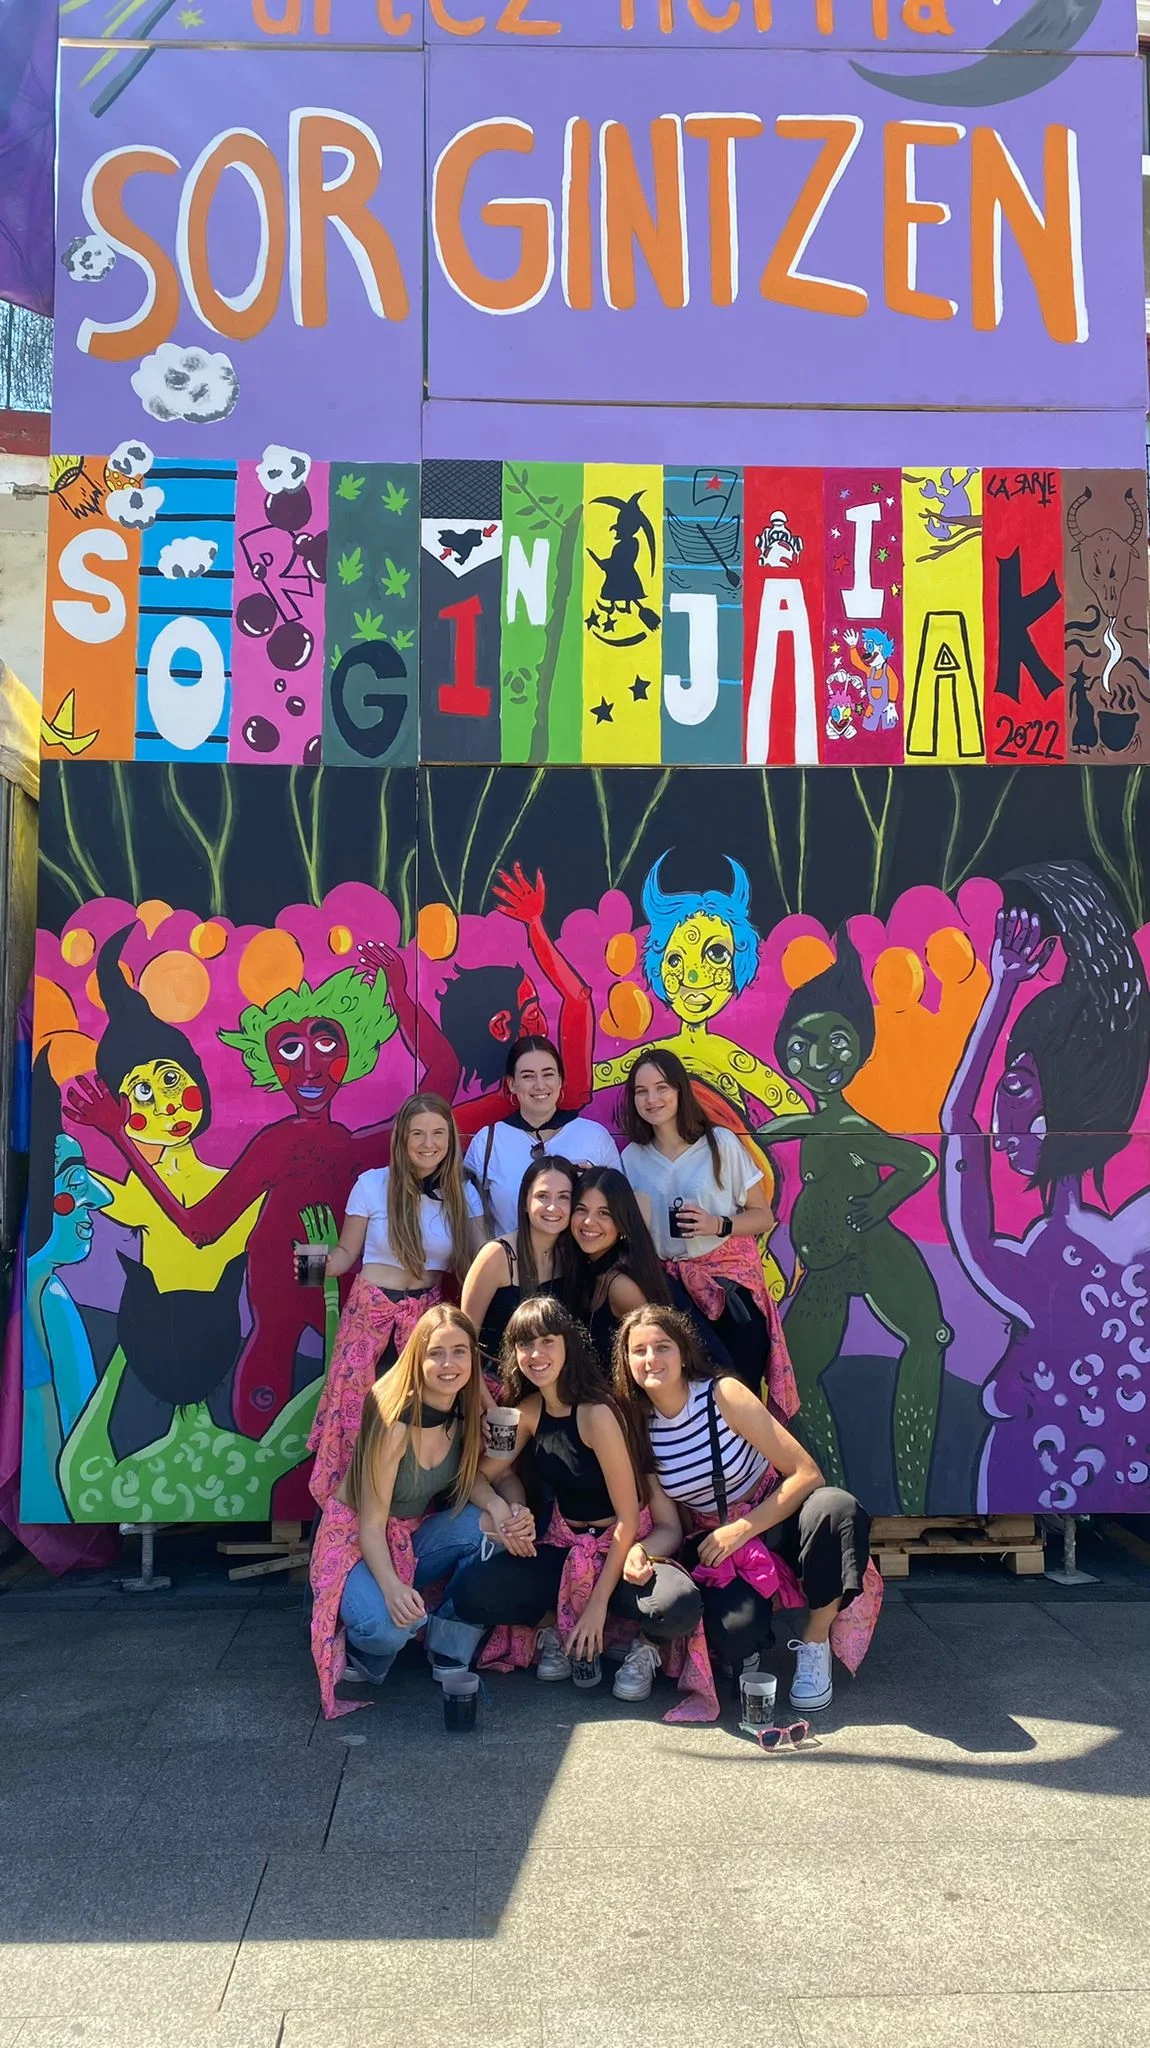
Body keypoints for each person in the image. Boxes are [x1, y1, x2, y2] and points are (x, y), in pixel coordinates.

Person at [941, 865, 1150, 1513]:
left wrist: (1002, 988)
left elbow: (956, 1120)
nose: (999, 1120)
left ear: (1061, 1101)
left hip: (1031, 1479)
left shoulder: (1047, 1272)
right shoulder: (1131, 1243)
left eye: (1015, 1087)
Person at [758, 926, 950, 1516]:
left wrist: (879, 1205)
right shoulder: (816, 1121)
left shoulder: (847, 1126)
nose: (818, 1059)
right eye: (802, 1044)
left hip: (873, 1250)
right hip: (828, 1265)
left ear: (861, 1050)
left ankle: (913, 1498)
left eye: (836, 1043)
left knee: (928, 1337)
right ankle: (835, 1493)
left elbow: (920, 1160)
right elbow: (782, 1130)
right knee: (795, 1369)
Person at [613, 1304, 877, 1713]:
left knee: (836, 1508)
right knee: (734, 1631)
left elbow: (806, 1474)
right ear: (627, 1362)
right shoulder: (639, 1429)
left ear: (683, 1352)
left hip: (775, 1515)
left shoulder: (723, 1395)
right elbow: (669, 1526)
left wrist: (743, 1528)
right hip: (715, 1540)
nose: (651, 1359)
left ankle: (814, 1642)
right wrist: (641, 1550)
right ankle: (746, 1646)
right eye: (639, 1350)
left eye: (662, 1346)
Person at [452, 1297, 703, 1703]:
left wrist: (597, 1606)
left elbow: (627, 1518)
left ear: (567, 1344)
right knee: (471, 1591)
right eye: (525, 1344)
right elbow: (478, 1476)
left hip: (621, 1550)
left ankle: (642, 1645)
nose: (536, 1354)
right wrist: (502, 1508)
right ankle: (553, 1624)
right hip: (566, 1548)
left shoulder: (595, 1412)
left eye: (547, 1341)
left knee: (677, 1605)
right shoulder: (529, 1411)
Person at [308, 1305, 535, 1716]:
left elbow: (468, 1479)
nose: (448, 1364)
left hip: (409, 1537)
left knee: (497, 1529)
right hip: (355, 1542)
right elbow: (371, 1527)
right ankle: (364, 1650)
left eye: (459, 1351)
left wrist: (502, 1508)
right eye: (436, 1353)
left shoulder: (464, 1410)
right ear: (418, 1357)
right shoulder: (394, 1421)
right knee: (386, 1629)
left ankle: (444, 1633)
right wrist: (393, 1589)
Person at [308, 1094, 484, 1507]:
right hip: (369, 1320)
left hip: (425, 1326)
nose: (428, 1143)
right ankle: (340, 1527)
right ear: (401, 1139)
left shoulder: (463, 1194)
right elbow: (346, 1254)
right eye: (417, 1133)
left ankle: (401, 1526)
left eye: (438, 1133)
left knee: (410, 1429)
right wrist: (308, 1265)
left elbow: (483, 1258)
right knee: (355, 1423)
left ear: (451, 1139)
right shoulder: (372, 1184)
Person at [620, 1049, 795, 1414]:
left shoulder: (720, 1144)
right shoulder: (631, 1159)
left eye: (662, 1087)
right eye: (641, 1091)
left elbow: (763, 1216)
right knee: (693, 1405)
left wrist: (718, 1225)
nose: (652, 1099)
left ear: (679, 1090)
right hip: (672, 1299)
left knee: (743, 1398)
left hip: (730, 1296)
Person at [464, 1035, 620, 1238]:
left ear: (560, 1080)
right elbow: (468, 1213)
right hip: (512, 1257)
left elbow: (620, 1209)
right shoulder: (488, 1142)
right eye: (528, 1076)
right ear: (512, 1083)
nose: (540, 1085)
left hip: (579, 1258)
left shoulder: (595, 1136)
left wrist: (595, 1184)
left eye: (548, 1074)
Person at [461, 1156, 578, 1381]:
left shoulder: (572, 1258)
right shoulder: (496, 1255)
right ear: (525, 1202)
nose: (553, 1206)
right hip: (493, 1383)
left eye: (564, 1197)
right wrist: (485, 1400)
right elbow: (465, 1342)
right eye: (542, 1196)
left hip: (548, 1385)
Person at [568, 1165, 672, 1372]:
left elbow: (656, 1360)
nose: (589, 1221)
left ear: (622, 1222)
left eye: (604, 1213)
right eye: (581, 1209)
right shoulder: (587, 1268)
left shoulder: (622, 1286)